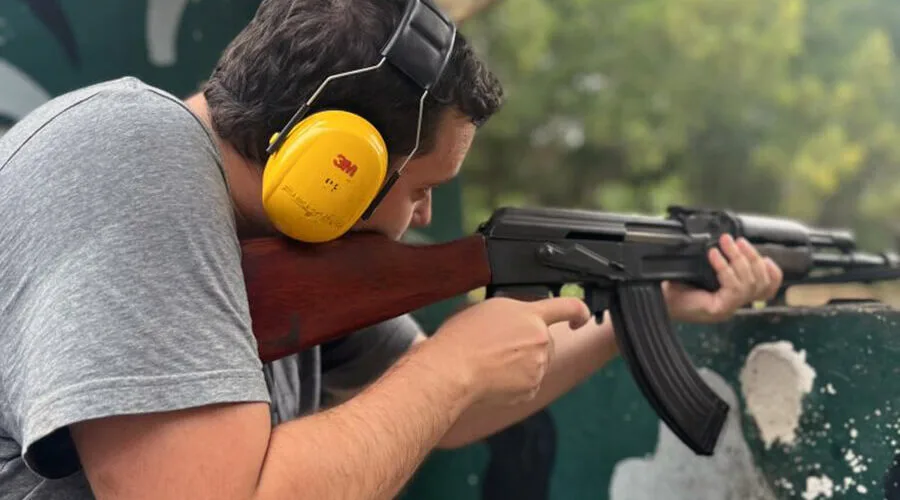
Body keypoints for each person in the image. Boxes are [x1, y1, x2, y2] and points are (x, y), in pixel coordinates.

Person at [0, 0, 783, 498]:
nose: (422, 215)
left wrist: (639, 315)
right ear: (333, 167)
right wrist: (450, 367)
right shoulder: (125, 154)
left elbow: (432, 416)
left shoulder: (277, 242)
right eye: (417, 187)